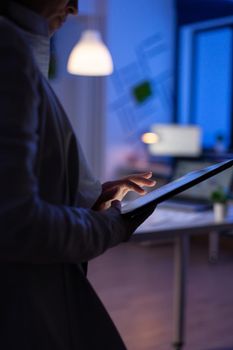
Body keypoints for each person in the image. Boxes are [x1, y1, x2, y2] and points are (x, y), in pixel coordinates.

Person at [0, 1, 156, 349]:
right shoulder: (8, 49)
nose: (72, 7)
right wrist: (110, 227)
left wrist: (89, 199)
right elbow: (17, 224)